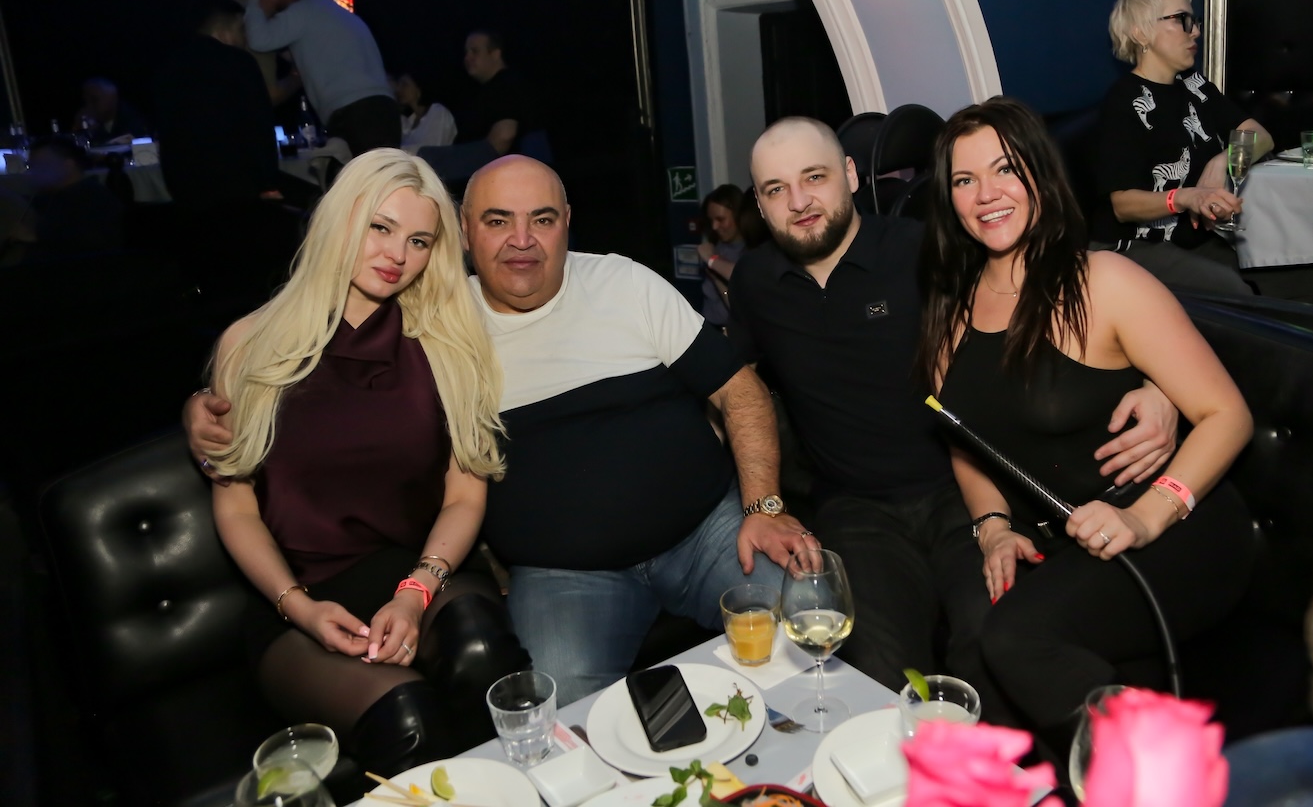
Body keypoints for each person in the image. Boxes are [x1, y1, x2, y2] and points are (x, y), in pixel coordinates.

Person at [188, 155, 812, 705]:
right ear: (464, 233)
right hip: (564, 577)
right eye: (497, 221)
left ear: (567, 222)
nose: (522, 240)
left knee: (813, 612)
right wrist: (203, 408)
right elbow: (320, 368)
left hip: (706, 533)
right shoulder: (440, 325)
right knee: (549, 720)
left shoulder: (623, 283)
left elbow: (740, 390)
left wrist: (765, 504)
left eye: (542, 219)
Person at [728, 117, 1180, 697]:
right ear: (760, 205)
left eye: (814, 177)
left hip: (968, 488)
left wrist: (1160, 384)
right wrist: (761, 503)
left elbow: (1076, 284)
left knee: (992, 646)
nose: (798, 202)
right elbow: (735, 390)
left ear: (849, 175)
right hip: (856, 509)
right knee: (876, 673)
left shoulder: (926, 249)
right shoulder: (754, 282)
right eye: (776, 189)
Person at [920, 96, 1256, 758]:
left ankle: (1156, 780)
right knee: (976, 656)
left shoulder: (1102, 281)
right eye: (964, 179)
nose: (986, 194)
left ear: (1039, 175)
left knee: (1017, 638)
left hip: (1178, 527)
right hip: (1072, 542)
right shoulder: (949, 314)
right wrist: (994, 527)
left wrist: (1145, 517)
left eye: (1005, 169)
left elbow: (1228, 416)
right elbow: (967, 443)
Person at [203, 148, 527, 774]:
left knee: (482, 655)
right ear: (341, 219)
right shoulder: (250, 344)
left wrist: (415, 592)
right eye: (381, 227)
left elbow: (465, 496)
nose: (396, 254)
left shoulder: (446, 343)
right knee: (408, 722)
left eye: (419, 241)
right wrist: (300, 608)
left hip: (422, 571)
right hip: (298, 594)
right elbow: (237, 508)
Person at [1092, 0, 1274, 296]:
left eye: (1195, 21)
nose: (1196, 32)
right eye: (1182, 20)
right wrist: (1187, 197)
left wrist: (1223, 160)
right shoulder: (1124, 101)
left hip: (1195, 240)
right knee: (1238, 293)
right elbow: (1123, 204)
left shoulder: (1194, 85)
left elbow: (1261, 136)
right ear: (1141, 33)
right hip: (1136, 247)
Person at [156, 0, 296, 305]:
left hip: (187, 190)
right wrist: (268, 181)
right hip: (237, 191)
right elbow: (258, 126)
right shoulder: (237, 62)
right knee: (247, 277)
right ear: (227, 29)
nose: (246, 39)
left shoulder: (170, 65)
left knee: (210, 275)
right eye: (243, 30)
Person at [244, 0, 400, 156]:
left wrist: (254, 0)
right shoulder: (343, 16)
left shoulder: (304, 9)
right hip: (385, 111)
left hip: (355, 113)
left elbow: (259, 39)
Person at [26, 136, 124, 258]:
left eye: (41, 165)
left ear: (68, 166)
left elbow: (94, 244)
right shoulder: (52, 197)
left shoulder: (92, 198)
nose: (34, 172)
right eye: (32, 166)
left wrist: (36, 236)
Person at [456, 30, 537, 156]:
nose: (467, 58)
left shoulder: (506, 85)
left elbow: (504, 136)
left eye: (475, 51)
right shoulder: (487, 89)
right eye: (466, 53)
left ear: (495, 54)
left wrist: (466, 161)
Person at [697, 183, 746, 326]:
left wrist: (713, 262)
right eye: (711, 220)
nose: (714, 226)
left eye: (720, 219)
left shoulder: (753, 253)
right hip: (711, 327)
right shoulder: (715, 247)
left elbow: (740, 307)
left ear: (738, 215)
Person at [392, 71, 458, 153]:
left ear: (418, 87)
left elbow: (433, 149)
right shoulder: (406, 123)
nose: (399, 89)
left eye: (404, 84)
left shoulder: (437, 112)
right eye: (398, 85)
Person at [73, 77, 149, 145]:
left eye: (94, 100)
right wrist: (79, 131)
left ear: (112, 98)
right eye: (86, 101)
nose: (89, 105)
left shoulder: (133, 120)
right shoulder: (89, 123)